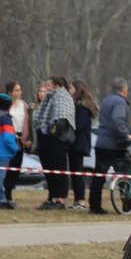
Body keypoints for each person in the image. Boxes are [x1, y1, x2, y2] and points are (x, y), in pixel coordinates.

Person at [92, 78, 131, 215]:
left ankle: (94, 207)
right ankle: (128, 205)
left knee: (98, 177)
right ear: (125, 90)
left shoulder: (106, 100)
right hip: (115, 146)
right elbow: (118, 120)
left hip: (101, 144)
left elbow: (114, 122)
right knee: (127, 174)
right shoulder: (120, 102)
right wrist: (127, 136)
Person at [32, 76, 76, 210]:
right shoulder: (51, 97)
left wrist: (52, 131)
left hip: (59, 139)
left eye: (49, 85)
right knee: (49, 169)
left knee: (59, 169)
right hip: (47, 139)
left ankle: (60, 199)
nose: (46, 88)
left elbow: (62, 119)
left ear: (57, 86)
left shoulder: (61, 97)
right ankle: (52, 197)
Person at [69, 80, 98, 210]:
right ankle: (77, 199)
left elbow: (80, 125)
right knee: (75, 172)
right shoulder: (78, 105)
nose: (69, 90)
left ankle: (80, 200)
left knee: (77, 172)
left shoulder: (82, 107)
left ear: (77, 89)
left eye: (71, 88)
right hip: (76, 143)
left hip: (79, 143)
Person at [3, 81, 29, 207]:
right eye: (17, 90)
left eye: (20, 90)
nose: (20, 92)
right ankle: (5, 196)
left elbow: (26, 122)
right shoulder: (5, 106)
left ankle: (9, 192)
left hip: (19, 138)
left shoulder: (23, 105)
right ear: (9, 92)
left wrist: (26, 138)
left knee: (15, 170)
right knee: (6, 170)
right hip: (7, 136)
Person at [0, 93, 17, 209]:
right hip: (4, 153)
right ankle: (2, 200)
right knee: (1, 178)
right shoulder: (6, 119)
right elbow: (8, 137)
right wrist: (15, 149)